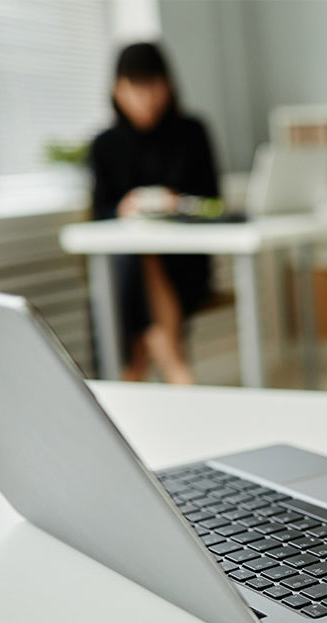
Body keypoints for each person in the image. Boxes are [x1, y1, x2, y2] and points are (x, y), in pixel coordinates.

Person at [89, 42, 220, 384]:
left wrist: (177, 202)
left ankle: (133, 376)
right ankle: (175, 368)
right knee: (136, 260)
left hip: (184, 264)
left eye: (153, 86)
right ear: (118, 90)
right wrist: (123, 207)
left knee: (140, 265)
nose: (146, 98)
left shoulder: (192, 133)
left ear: (168, 85)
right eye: (136, 87)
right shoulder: (104, 145)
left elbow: (212, 200)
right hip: (128, 267)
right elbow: (99, 211)